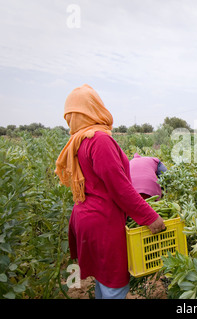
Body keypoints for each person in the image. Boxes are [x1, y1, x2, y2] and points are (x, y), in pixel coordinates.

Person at [55, 84, 166, 299]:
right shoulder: (98, 139)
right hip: (103, 223)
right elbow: (119, 187)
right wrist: (149, 217)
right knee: (114, 286)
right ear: (94, 107)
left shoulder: (78, 141)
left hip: (85, 219)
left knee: (103, 281)